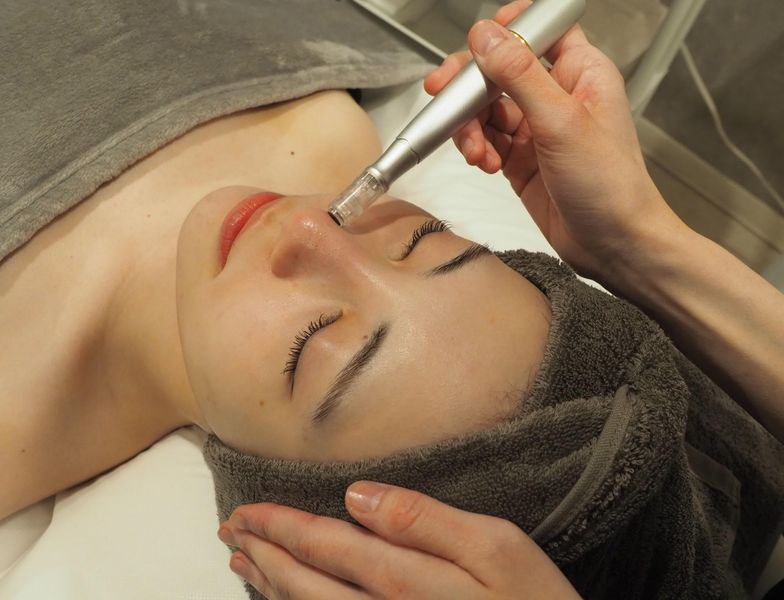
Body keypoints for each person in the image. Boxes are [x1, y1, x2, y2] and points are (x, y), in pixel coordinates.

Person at [214, 3, 784, 599]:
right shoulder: (333, 128)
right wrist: (633, 240)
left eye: (311, 341)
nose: (312, 228)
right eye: (419, 241)